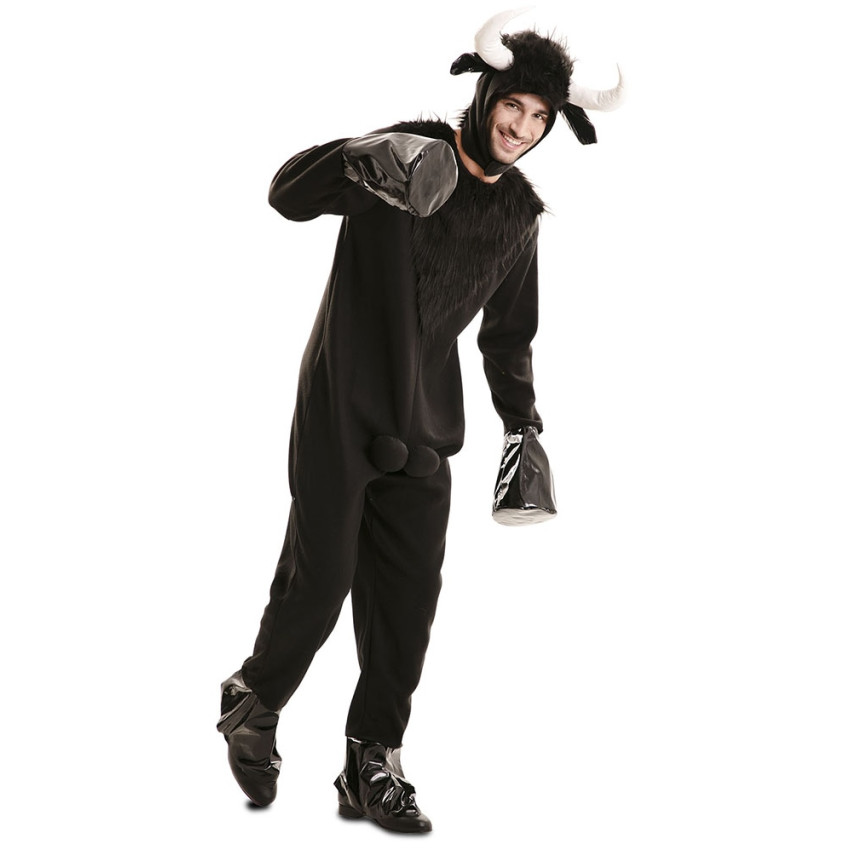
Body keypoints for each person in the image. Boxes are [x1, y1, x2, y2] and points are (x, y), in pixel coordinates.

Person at [217, 10, 623, 834]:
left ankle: (371, 764)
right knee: (321, 585)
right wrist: (368, 155)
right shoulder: (409, 154)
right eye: (513, 105)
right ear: (486, 95)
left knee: (406, 608)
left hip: (427, 431)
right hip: (342, 407)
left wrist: (523, 428)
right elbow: (287, 194)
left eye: (539, 117)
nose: (521, 127)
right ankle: (254, 698)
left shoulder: (517, 217)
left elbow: (508, 336)